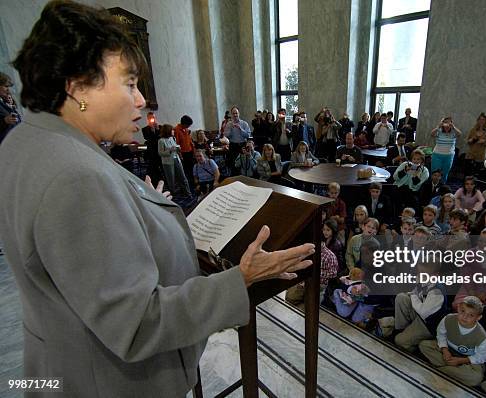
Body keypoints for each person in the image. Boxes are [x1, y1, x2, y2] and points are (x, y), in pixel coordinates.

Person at [0, 2, 315, 396]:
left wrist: (137, 204)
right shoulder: (76, 174)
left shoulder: (26, 140)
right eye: (129, 84)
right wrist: (241, 279)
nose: (142, 101)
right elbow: (137, 323)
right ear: (77, 85)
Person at [418, 296, 486, 387]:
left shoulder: (482, 337)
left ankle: (442, 370)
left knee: (476, 378)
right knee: (424, 345)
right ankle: (453, 370)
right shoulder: (448, 319)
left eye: (471, 315)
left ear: (478, 317)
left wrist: (461, 360)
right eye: (462, 311)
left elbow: (482, 357)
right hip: (449, 351)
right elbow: (441, 335)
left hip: (467, 360)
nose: (465, 317)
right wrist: (445, 350)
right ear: (458, 308)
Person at [394, 259, 450, 352]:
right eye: (419, 272)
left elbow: (423, 312)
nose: (420, 275)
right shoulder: (422, 279)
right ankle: (403, 330)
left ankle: (414, 346)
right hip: (419, 316)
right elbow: (416, 292)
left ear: (435, 275)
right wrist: (411, 294)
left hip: (429, 325)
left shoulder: (436, 292)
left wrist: (413, 296)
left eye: (424, 273)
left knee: (399, 341)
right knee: (401, 297)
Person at [158, 124, 191, 197]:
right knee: (171, 180)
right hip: (167, 162)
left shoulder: (173, 138)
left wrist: (178, 149)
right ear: (168, 131)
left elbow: (175, 148)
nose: (173, 131)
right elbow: (160, 153)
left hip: (176, 159)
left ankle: (187, 193)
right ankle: (172, 195)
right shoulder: (161, 141)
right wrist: (170, 150)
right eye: (172, 130)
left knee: (182, 176)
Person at [430, 116, 462, 182]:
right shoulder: (439, 131)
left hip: (449, 156)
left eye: (449, 122)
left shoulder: (453, 132)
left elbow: (459, 134)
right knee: (434, 172)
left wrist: (453, 127)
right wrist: (438, 127)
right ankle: (432, 186)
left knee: (445, 173)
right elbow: (432, 134)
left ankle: (442, 186)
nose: (447, 124)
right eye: (445, 122)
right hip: (437, 155)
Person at [0, 72, 22, 144]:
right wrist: (4, 121)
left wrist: (10, 102)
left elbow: (14, 111)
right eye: (6, 86)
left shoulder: (4, 100)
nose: (8, 90)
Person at [174, 114, 195, 189]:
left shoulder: (186, 129)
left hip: (189, 151)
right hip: (183, 153)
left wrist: (193, 150)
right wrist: (180, 155)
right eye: (188, 125)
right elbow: (177, 144)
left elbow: (189, 140)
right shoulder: (176, 130)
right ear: (184, 124)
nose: (189, 127)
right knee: (185, 170)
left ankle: (193, 182)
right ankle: (187, 185)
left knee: (191, 168)